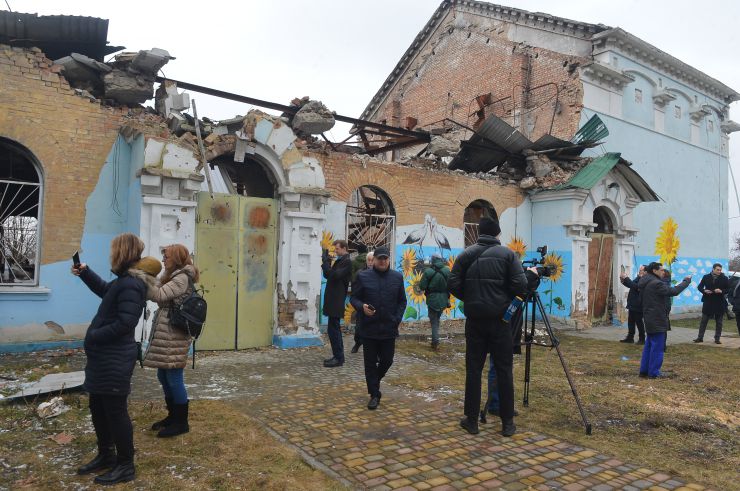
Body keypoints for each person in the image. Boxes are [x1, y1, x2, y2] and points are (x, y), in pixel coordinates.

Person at [71, 233, 148, 485]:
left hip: (115, 357)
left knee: (115, 412)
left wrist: (94, 335)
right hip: (105, 357)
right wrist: (86, 273)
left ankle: (125, 465)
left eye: (113, 249)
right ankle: (106, 455)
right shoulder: (123, 281)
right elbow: (107, 291)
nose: (110, 253)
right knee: (98, 407)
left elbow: (127, 322)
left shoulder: (132, 284)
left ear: (122, 252)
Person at [448, 217, 531, 437]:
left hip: (475, 321)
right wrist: (502, 299)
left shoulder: (466, 254)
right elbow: (521, 285)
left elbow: (453, 283)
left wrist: (471, 297)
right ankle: (507, 423)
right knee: (504, 370)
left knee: (473, 370)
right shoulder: (508, 255)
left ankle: (472, 421)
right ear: (497, 234)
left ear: (478, 233)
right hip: (500, 321)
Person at [144, 244, 200, 438]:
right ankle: (172, 416)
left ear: (176, 258)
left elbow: (157, 295)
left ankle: (181, 422)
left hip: (174, 333)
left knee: (174, 377)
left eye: (166, 257)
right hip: (167, 332)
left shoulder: (182, 278)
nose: (163, 260)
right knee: (163, 375)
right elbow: (158, 298)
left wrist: (142, 277)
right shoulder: (171, 277)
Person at [350, 246, 406, 410]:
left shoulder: (397, 277)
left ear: (389, 260)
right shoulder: (363, 276)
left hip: (389, 327)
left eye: (385, 258)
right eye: (379, 258)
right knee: (369, 364)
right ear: (373, 260)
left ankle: (374, 381)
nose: (382, 261)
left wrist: (397, 319)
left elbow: (402, 301)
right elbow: (354, 298)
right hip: (369, 328)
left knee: (387, 360)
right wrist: (362, 307)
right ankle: (374, 395)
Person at [625, 262, 690, 378]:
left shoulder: (644, 281)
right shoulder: (656, 283)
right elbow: (673, 291)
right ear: (654, 271)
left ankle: (644, 370)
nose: (663, 272)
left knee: (649, 345)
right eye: (661, 270)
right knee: (657, 347)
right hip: (657, 318)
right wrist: (686, 282)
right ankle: (654, 372)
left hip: (649, 316)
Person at [322, 239, 352, 367]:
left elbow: (334, 276)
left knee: (334, 330)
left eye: (337, 249)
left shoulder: (347, 262)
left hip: (337, 300)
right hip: (333, 299)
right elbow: (327, 275)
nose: (335, 251)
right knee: (332, 329)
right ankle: (338, 356)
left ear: (344, 248)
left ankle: (339, 358)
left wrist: (325, 263)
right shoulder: (340, 261)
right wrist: (327, 262)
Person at [419, 254, 450, 350]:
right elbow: (451, 284)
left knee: (434, 322)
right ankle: (435, 340)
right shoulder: (447, 270)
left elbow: (422, 286)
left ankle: (435, 342)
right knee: (437, 320)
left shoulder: (428, 272)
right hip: (444, 299)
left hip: (432, 300)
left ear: (433, 260)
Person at [694, 263, 729, 344]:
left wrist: (721, 291)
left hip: (719, 302)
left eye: (720, 270)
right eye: (717, 270)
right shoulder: (706, 277)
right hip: (708, 301)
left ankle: (717, 338)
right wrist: (704, 291)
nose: (719, 271)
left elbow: (728, 289)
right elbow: (699, 287)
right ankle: (700, 337)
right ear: (713, 269)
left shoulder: (724, 278)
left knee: (719, 322)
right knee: (704, 321)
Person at [350, 250, 373, 354]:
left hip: (374, 306)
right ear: (366, 261)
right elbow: (355, 291)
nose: (371, 262)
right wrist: (359, 304)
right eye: (369, 260)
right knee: (359, 328)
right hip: (362, 304)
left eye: (373, 260)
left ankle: (374, 351)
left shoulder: (380, 273)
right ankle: (357, 343)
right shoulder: (360, 273)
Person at [619, 265, 646, 344]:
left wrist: (626, 278)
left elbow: (636, 287)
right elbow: (631, 285)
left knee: (639, 322)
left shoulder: (645, 280)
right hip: (632, 303)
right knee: (631, 321)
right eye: (639, 270)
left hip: (639, 305)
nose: (639, 271)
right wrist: (623, 281)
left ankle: (642, 339)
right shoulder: (639, 278)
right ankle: (630, 337)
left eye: (641, 270)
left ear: (645, 272)